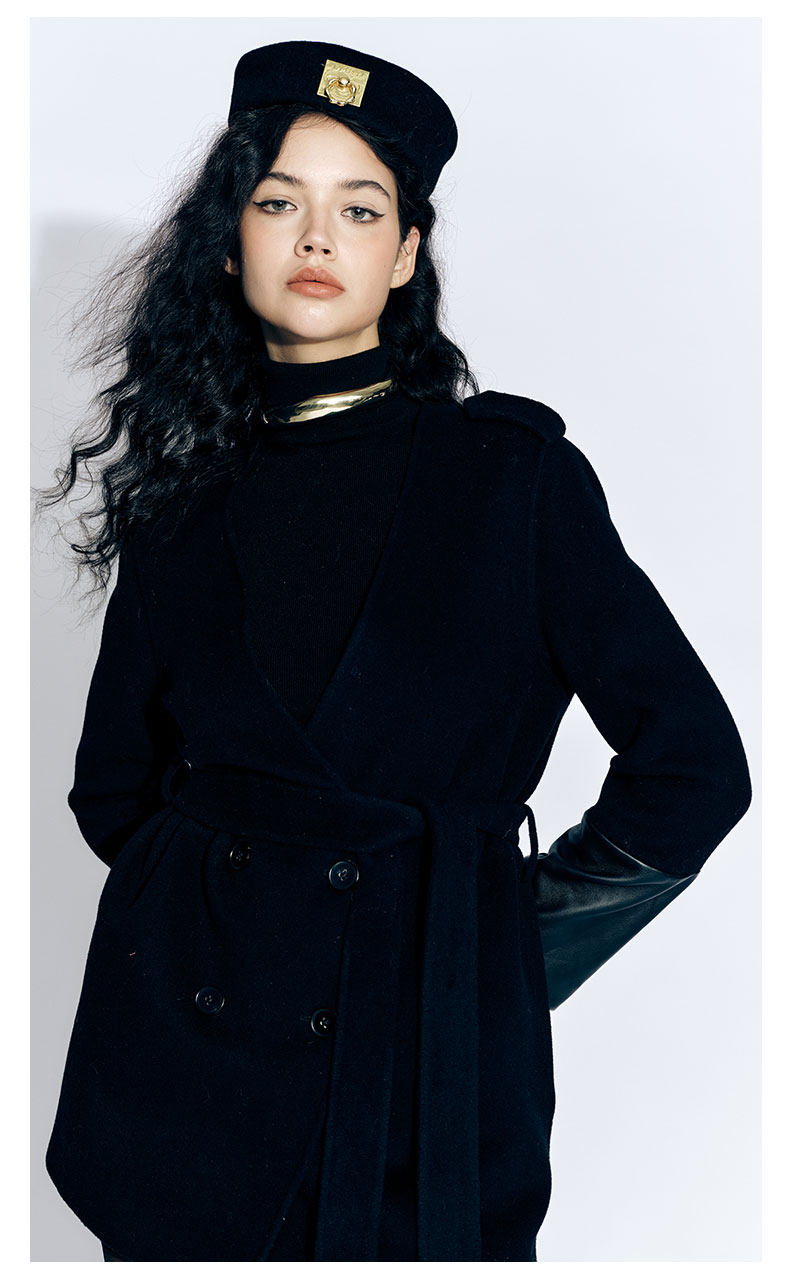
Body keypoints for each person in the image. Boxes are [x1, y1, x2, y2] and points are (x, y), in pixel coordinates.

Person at [40, 39, 752, 1262]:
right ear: (228, 241)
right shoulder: (178, 504)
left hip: (424, 1082)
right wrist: (229, 921)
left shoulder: (513, 482)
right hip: (183, 1093)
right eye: (278, 203)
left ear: (407, 253)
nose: (317, 236)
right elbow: (112, 788)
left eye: (359, 209)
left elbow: (693, 766)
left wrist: (484, 954)